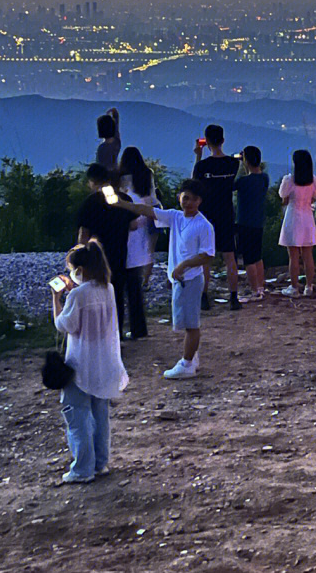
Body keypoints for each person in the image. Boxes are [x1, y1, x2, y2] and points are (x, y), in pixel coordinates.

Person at [112, 180, 215, 379]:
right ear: (180, 197)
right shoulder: (176, 217)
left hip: (191, 279)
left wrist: (183, 266)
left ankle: (186, 363)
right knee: (185, 323)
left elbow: (208, 255)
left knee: (191, 324)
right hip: (180, 279)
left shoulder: (203, 225)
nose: (189, 202)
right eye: (186, 198)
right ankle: (192, 358)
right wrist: (121, 203)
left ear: (200, 201)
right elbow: (146, 210)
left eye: (193, 199)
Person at [51, 240, 128, 483]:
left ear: (80, 269)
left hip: (80, 362)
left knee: (77, 415)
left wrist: (56, 300)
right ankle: (100, 463)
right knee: (100, 414)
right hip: (104, 360)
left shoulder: (77, 295)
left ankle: (82, 468)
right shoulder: (108, 288)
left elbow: (64, 325)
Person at [75, 164, 138, 339]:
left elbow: (83, 234)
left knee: (96, 297)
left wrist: (80, 257)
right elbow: (134, 224)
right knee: (116, 295)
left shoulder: (89, 203)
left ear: (92, 181)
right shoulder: (124, 198)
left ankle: (99, 336)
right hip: (120, 254)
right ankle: (116, 336)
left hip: (97, 258)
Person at [192, 125, 241, 311]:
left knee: (206, 258)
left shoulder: (202, 166)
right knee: (230, 257)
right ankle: (234, 297)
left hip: (207, 215)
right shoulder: (233, 164)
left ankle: (204, 296)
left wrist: (198, 155)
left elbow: (194, 185)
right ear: (223, 140)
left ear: (207, 140)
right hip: (227, 213)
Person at [115, 147, 159, 338]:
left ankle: (117, 328)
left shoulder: (119, 176)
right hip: (142, 223)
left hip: (124, 226)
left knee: (119, 284)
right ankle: (139, 327)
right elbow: (153, 199)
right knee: (134, 283)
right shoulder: (146, 175)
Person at [278, 149, 316, 297]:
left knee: (293, 256)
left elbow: (283, 195)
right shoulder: (313, 180)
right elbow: (315, 196)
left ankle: (294, 287)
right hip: (307, 218)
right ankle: (309, 286)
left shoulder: (290, 180)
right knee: (308, 255)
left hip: (293, 217)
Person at [235, 146, 269, 302]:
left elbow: (232, 185)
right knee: (257, 256)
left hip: (244, 222)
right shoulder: (264, 178)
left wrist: (238, 165)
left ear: (246, 161)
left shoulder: (244, 181)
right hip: (258, 222)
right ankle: (261, 287)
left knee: (248, 258)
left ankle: (254, 291)